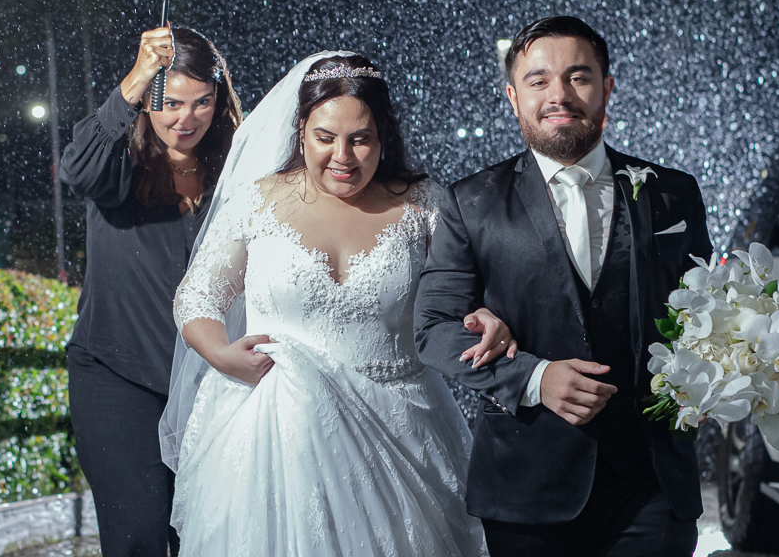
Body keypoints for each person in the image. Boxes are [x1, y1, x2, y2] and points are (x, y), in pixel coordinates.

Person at [159, 52, 514, 556]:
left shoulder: (423, 203)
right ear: (301, 129)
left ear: (383, 136)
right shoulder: (259, 200)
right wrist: (221, 354)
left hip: (403, 428)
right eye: (325, 138)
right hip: (276, 438)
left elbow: (463, 294)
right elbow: (197, 294)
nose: (342, 156)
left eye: (360, 139)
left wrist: (483, 315)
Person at [414, 16, 714, 557]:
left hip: (652, 483)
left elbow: (708, 312)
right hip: (528, 488)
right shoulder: (469, 202)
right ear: (513, 96)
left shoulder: (674, 193)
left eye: (578, 77)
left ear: (607, 88)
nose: (560, 95)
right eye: (538, 81)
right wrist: (534, 377)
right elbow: (433, 329)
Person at [61, 26, 242, 557]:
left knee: (205, 537)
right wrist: (136, 79)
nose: (186, 119)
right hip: (117, 378)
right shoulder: (119, 161)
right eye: (172, 102)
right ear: (148, 101)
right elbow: (76, 167)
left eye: (202, 102)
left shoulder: (235, 171)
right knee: (138, 536)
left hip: (212, 381)